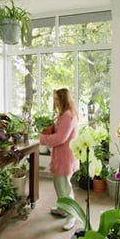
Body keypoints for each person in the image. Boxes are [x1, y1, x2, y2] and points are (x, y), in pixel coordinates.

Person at [39, 88, 79, 231]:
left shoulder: (68, 115)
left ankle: (72, 215)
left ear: (63, 99)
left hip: (65, 157)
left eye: (56, 99)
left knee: (65, 187)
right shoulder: (64, 114)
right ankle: (63, 209)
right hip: (61, 156)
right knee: (59, 184)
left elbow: (60, 138)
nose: (54, 101)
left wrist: (43, 138)